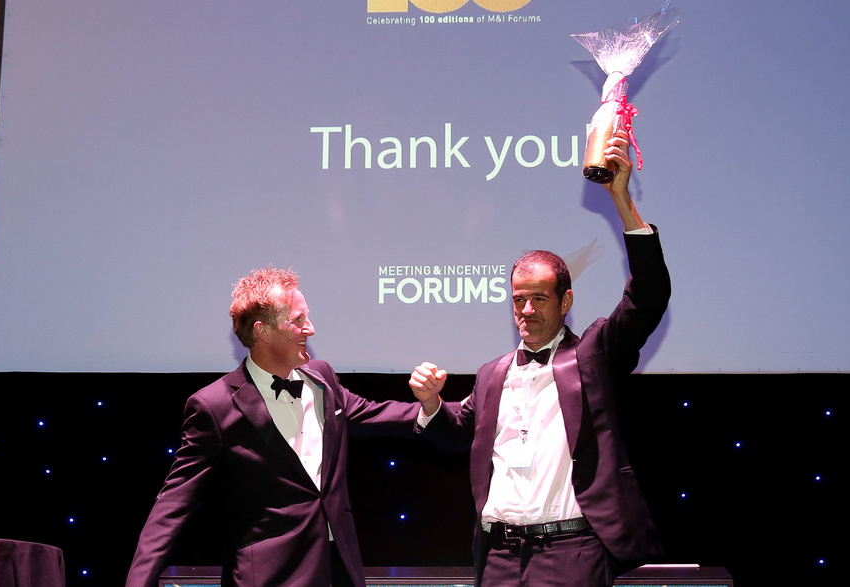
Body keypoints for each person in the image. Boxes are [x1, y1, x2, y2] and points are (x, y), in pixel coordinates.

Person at [408, 129, 668, 586]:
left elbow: (647, 297)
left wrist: (622, 202)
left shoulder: (592, 355)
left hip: (571, 553)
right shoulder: (493, 374)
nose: (526, 310)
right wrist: (431, 405)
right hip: (499, 556)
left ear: (565, 302)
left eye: (539, 299)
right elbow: (455, 438)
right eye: (518, 299)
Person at [126, 267, 430, 587]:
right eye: (298, 320)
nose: (310, 329)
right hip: (270, 578)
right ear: (263, 331)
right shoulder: (213, 406)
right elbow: (173, 506)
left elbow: (373, 414)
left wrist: (436, 409)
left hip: (339, 571)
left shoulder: (322, 378)